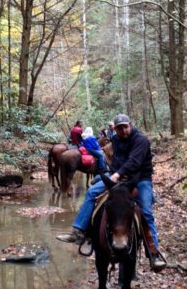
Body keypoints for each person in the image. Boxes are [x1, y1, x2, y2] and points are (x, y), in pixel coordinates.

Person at [57, 113, 166, 272]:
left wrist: (117, 175)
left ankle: (153, 252)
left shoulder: (140, 140)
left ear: (130, 125)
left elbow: (134, 162)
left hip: (140, 178)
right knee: (92, 192)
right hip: (118, 176)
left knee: (146, 211)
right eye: (119, 128)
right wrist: (112, 174)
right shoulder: (115, 140)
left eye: (125, 127)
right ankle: (80, 231)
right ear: (115, 129)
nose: (123, 131)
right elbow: (116, 161)